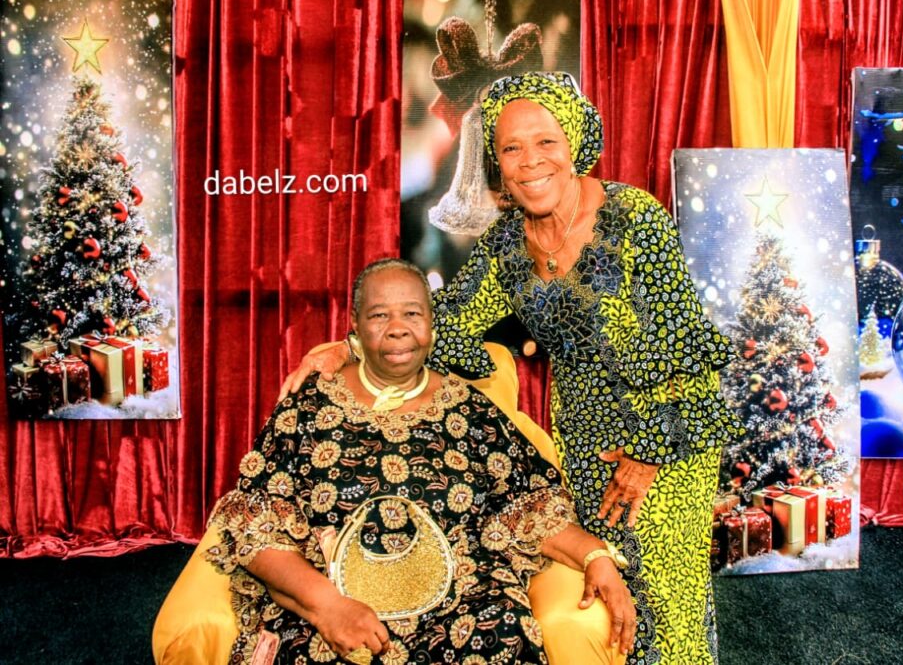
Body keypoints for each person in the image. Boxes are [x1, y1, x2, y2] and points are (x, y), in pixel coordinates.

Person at [282, 73, 742, 664]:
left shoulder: (634, 217)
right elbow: (444, 318)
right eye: (511, 148)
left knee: (665, 590)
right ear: (496, 162)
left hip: (666, 431)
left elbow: (684, 345)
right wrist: (349, 346)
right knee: (610, 590)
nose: (530, 161)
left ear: (574, 142)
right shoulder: (506, 242)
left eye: (545, 142)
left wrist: (647, 455)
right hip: (583, 436)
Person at [208, 258, 636, 664]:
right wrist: (327, 606)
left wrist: (595, 556)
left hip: (459, 600)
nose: (398, 329)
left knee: (504, 631)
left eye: (412, 314)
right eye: (379, 316)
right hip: (333, 596)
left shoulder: (470, 410)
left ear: (431, 323)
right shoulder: (307, 408)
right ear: (354, 324)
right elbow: (255, 526)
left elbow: (528, 506)